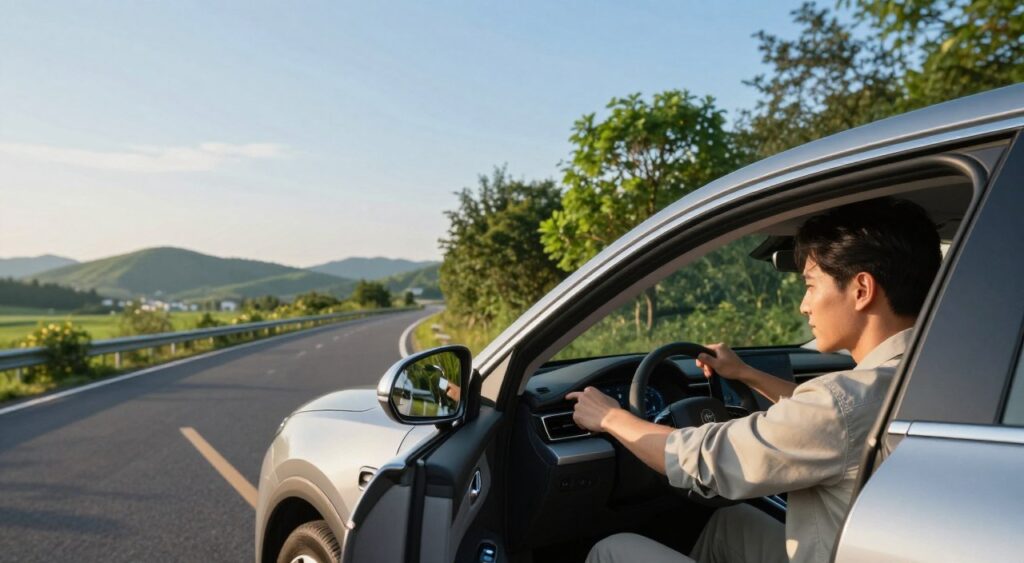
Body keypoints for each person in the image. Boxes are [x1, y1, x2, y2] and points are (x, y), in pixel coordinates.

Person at [569, 198, 941, 563]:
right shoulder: (927, 375)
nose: (804, 305)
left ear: (861, 290)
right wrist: (744, 373)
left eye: (811, 285)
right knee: (732, 523)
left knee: (612, 549)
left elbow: (698, 458)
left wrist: (609, 418)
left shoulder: (839, 403)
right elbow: (833, 420)